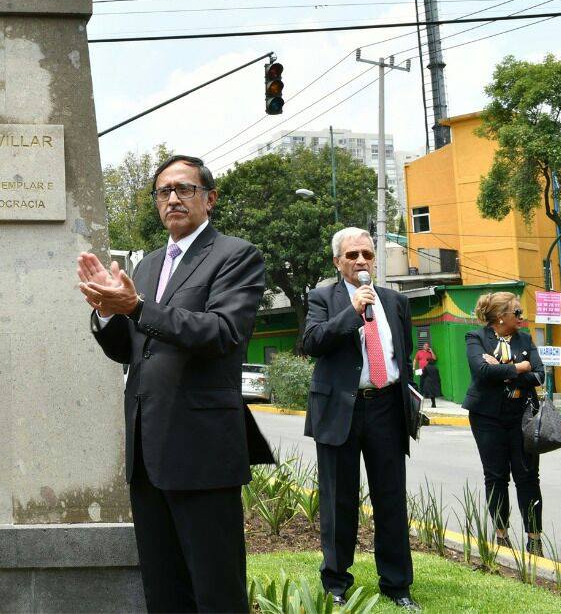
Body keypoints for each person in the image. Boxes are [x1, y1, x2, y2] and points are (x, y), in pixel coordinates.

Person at [77, 153, 273, 613]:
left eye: (184, 188)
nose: (173, 198)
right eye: (164, 191)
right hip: (148, 450)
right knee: (164, 590)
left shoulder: (235, 255)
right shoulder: (146, 266)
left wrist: (139, 308)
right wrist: (107, 313)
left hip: (202, 449)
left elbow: (222, 332)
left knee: (215, 589)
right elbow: (131, 349)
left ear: (209, 198)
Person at [302, 227, 419, 610]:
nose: (361, 262)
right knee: (339, 499)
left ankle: (398, 585)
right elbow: (311, 342)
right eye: (352, 256)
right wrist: (351, 314)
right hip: (341, 408)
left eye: (367, 255)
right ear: (338, 262)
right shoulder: (323, 298)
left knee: (390, 498)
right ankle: (336, 581)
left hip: (386, 406)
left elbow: (403, 350)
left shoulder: (394, 301)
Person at [462, 292, 545, 553]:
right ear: (501, 316)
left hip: (522, 416)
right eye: (517, 313)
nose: (522, 317)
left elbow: (540, 375)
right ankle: (502, 537)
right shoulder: (476, 337)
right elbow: (482, 372)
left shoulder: (525, 338)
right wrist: (520, 368)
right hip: (487, 417)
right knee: (496, 476)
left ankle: (534, 540)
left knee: (528, 476)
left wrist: (502, 370)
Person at [415, 342, 442, 409]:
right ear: (423, 346)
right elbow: (415, 360)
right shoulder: (419, 352)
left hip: (429, 370)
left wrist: (431, 351)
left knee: (428, 384)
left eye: (427, 346)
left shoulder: (430, 353)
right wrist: (414, 367)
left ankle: (427, 395)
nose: (426, 347)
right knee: (422, 383)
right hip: (422, 370)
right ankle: (422, 395)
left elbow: (435, 358)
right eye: (425, 346)